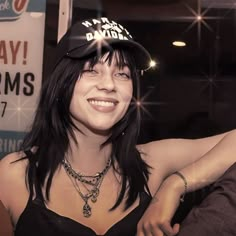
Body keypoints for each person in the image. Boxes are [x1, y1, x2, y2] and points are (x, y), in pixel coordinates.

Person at [0, 17, 236, 236]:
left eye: (122, 74)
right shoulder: (13, 175)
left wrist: (174, 185)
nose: (109, 84)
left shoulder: (152, 163)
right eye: (92, 70)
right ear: (62, 82)